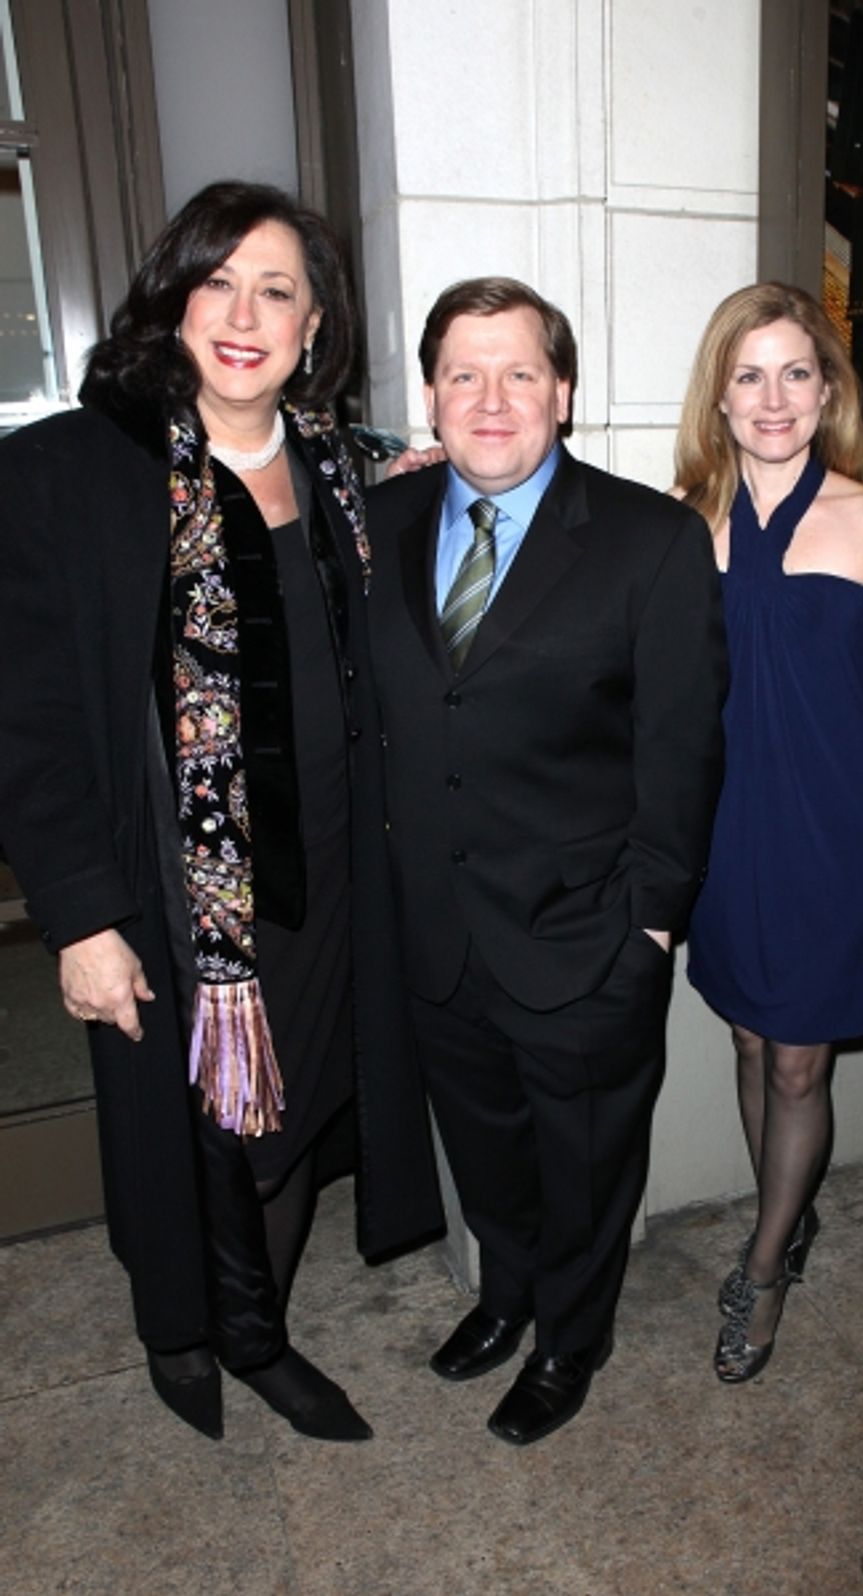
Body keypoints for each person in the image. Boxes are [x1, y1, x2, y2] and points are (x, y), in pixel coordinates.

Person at [0, 182, 442, 1444]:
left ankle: (257, 1332)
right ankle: (182, 1331)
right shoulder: (68, 472)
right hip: (165, 892)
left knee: (288, 1120)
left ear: (317, 323)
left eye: (278, 290)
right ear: (173, 296)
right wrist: (80, 915)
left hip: (329, 880)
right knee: (189, 1139)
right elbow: (22, 726)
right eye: (219, 282)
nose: (244, 315)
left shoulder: (349, 477)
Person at [368, 276, 727, 1445]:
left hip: (585, 938)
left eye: (519, 372)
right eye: (463, 374)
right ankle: (507, 1297)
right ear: (429, 395)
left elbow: (683, 751)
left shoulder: (650, 541)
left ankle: (573, 1339)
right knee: (488, 1153)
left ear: (561, 392)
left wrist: (650, 929)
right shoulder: (381, 526)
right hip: (439, 934)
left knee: (583, 1170)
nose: (490, 398)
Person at [674, 283, 863, 1383]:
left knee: (797, 1069)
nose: (773, 398)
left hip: (833, 837)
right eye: (749, 374)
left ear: (827, 392)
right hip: (724, 835)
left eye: (795, 373)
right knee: (744, 1039)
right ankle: (789, 1212)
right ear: (719, 398)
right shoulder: (682, 528)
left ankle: (765, 1263)